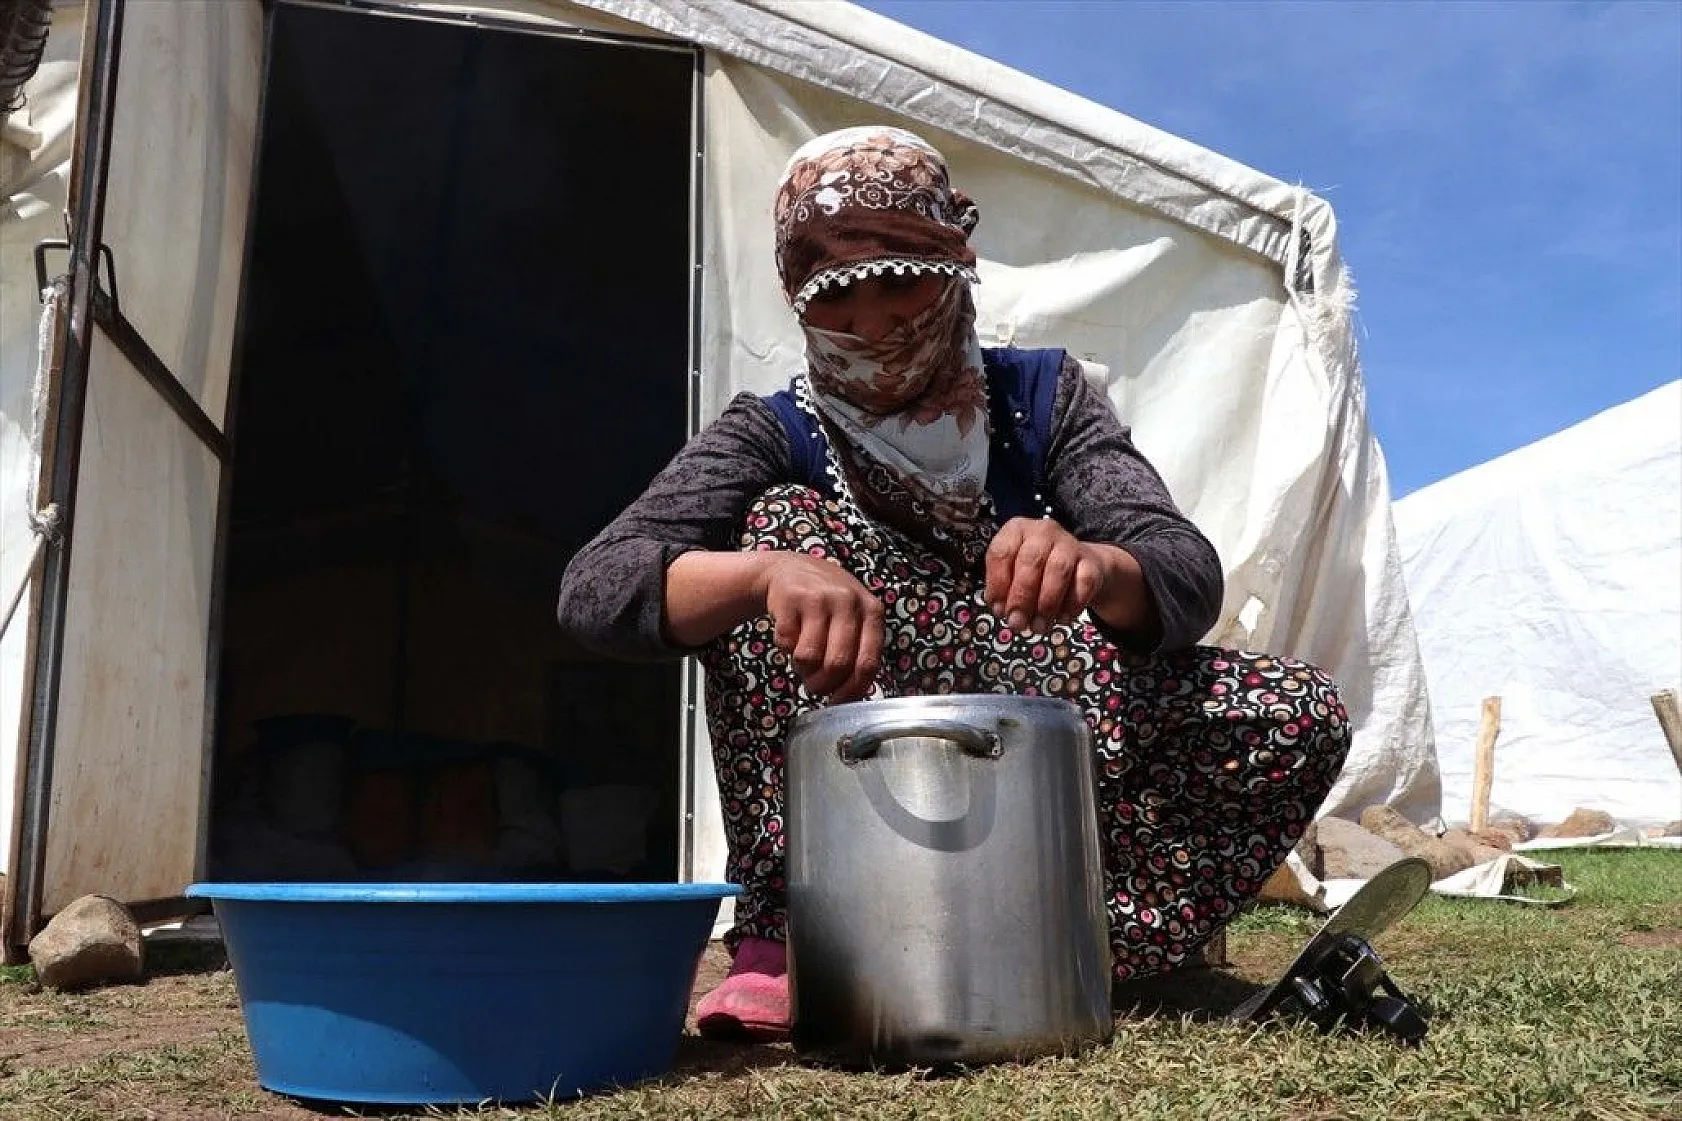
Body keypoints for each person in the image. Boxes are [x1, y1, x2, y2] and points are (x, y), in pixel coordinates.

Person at [556, 126, 1351, 1041]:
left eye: (902, 281)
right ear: (800, 303)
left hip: (1044, 710)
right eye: (839, 301)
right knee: (772, 529)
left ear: (956, 261)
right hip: (865, 721)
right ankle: (786, 936)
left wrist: (1093, 564)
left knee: (1294, 710)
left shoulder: (1042, 398)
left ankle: (1073, 930)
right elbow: (597, 585)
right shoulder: (772, 431)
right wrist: (764, 575)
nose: (876, 326)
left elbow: (1182, 569)